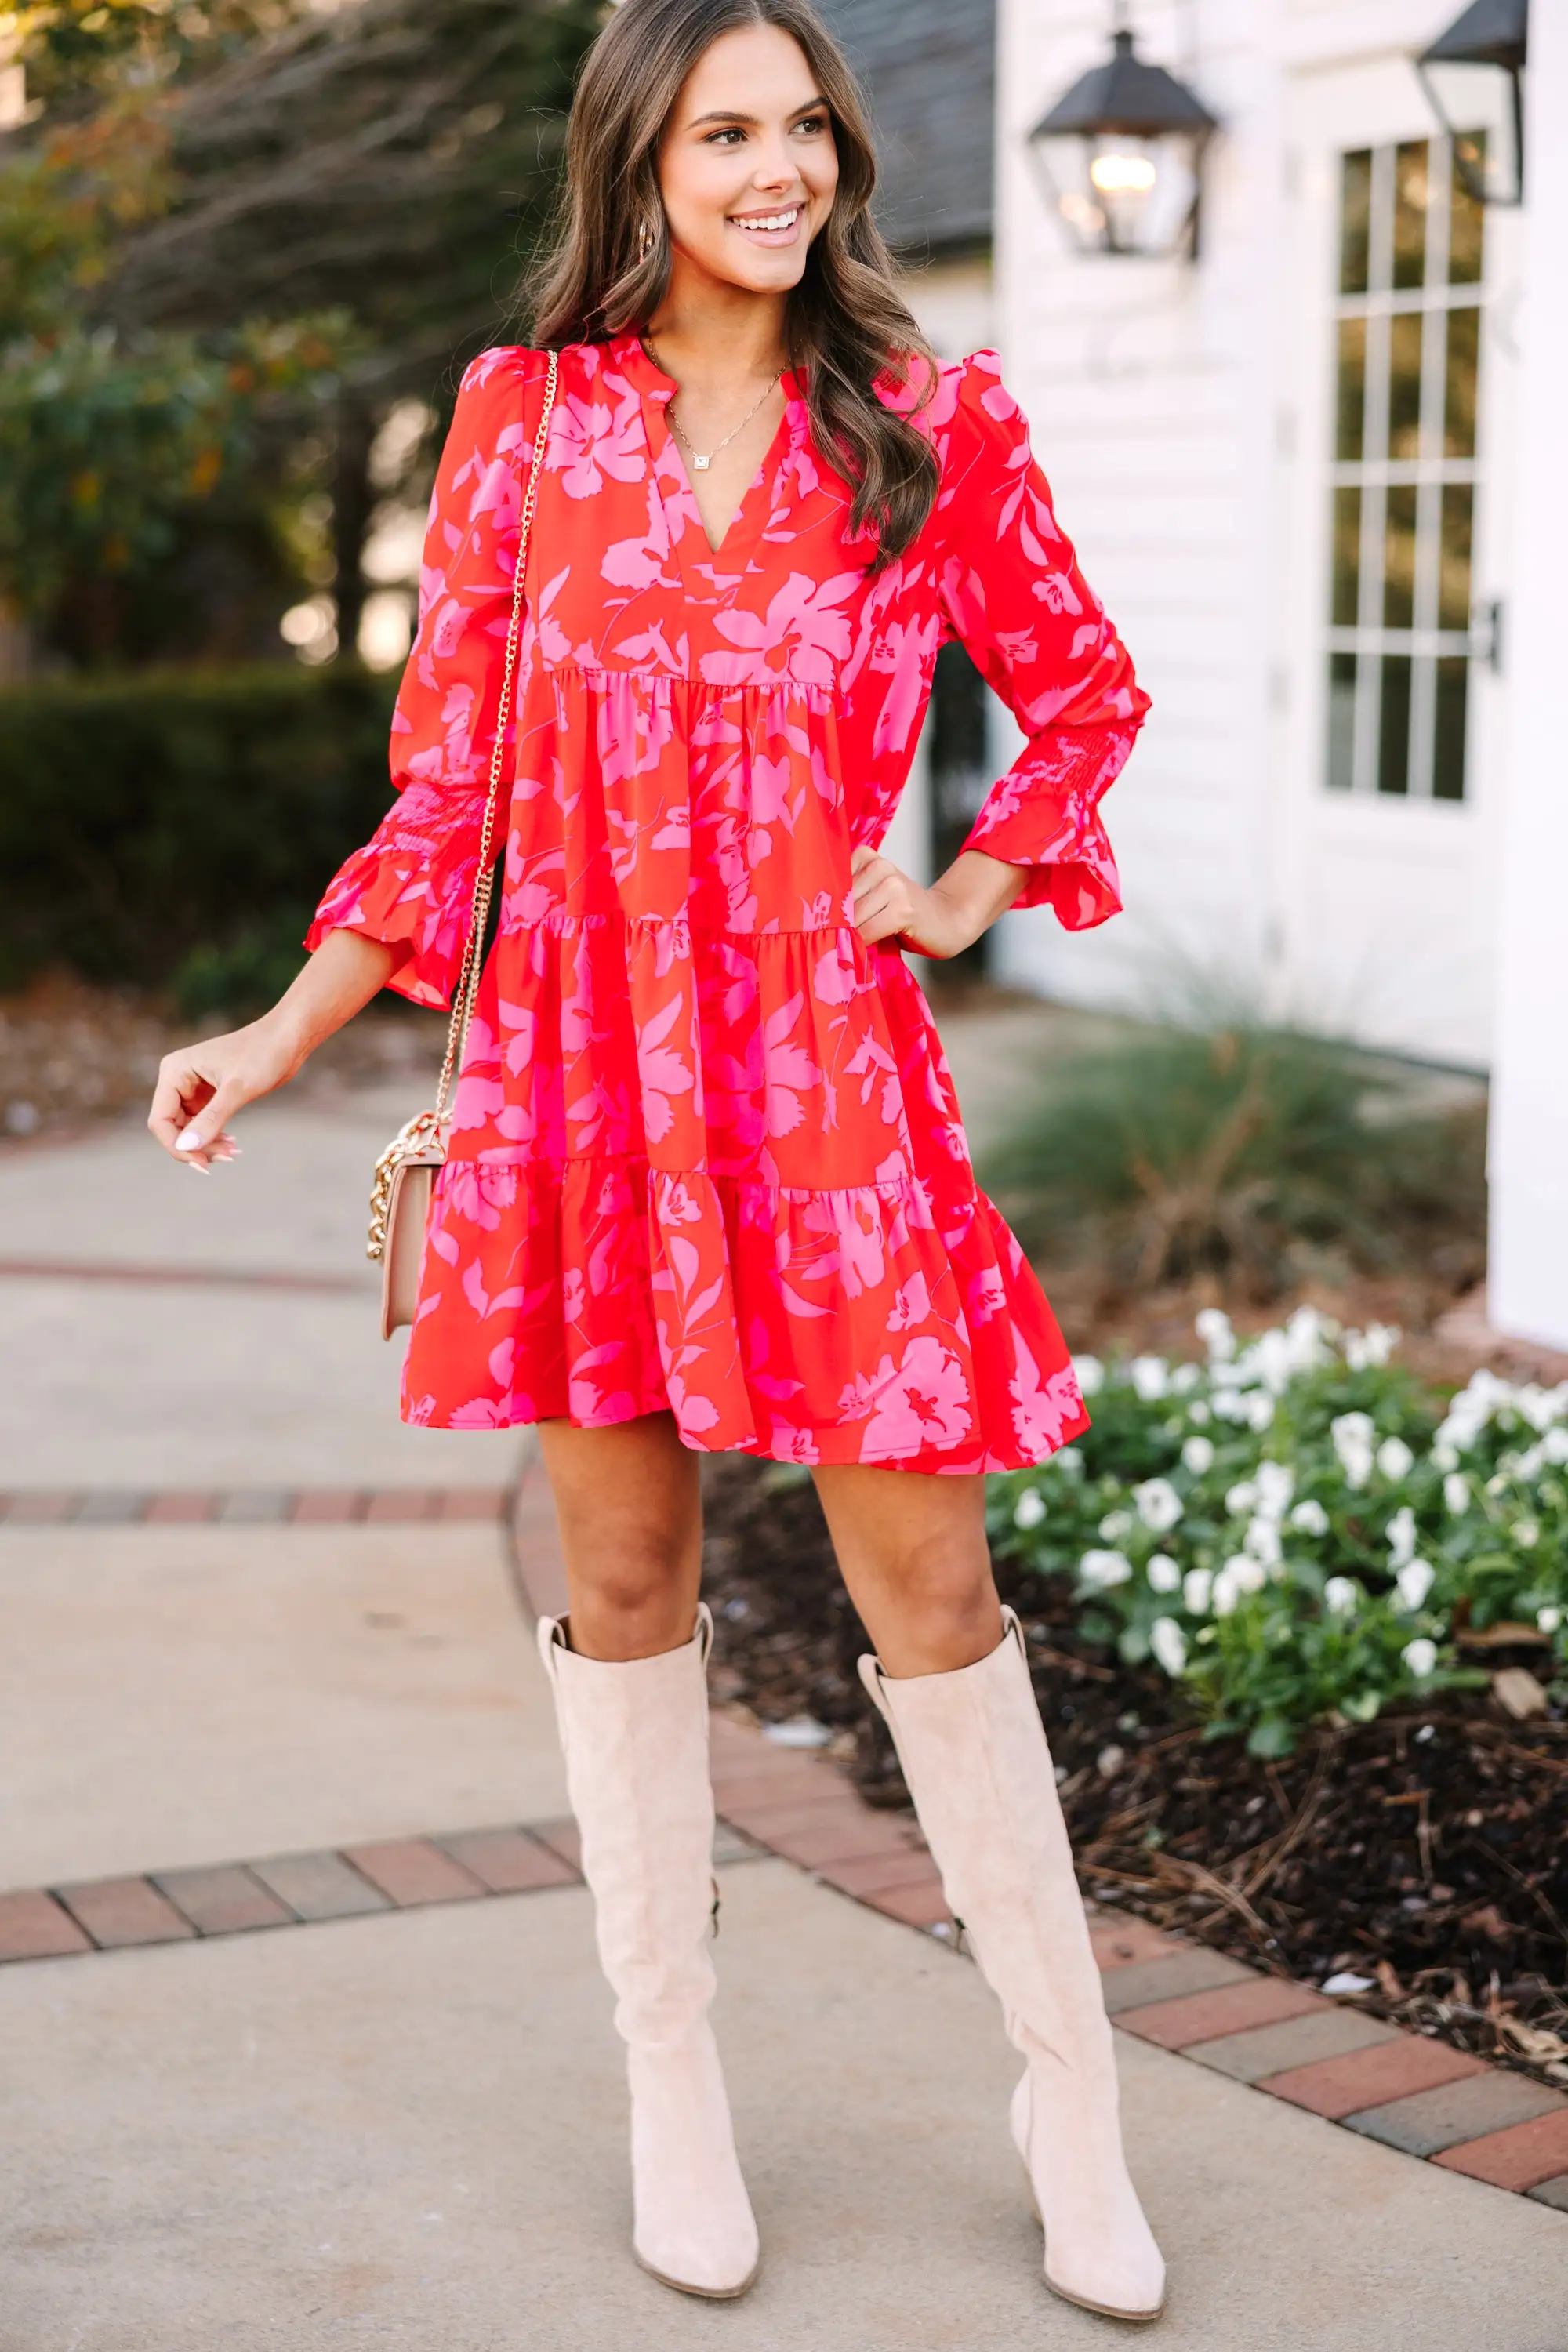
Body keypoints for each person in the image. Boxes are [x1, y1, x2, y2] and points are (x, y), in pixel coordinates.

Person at [147, 0, 1163, 2321]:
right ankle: (673, 2085)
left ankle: (1069, 2091)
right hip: (586, 1085)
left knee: (932, 1591)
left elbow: (1084, 691)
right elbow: (442, 805)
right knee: (627, 1594)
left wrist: (974, 884)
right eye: (729, 129)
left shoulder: (933, 420)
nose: (779, 164)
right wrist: (280, 1028)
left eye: (807, 125)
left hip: (827, 1091)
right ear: (642, 159)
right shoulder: (527, 428)